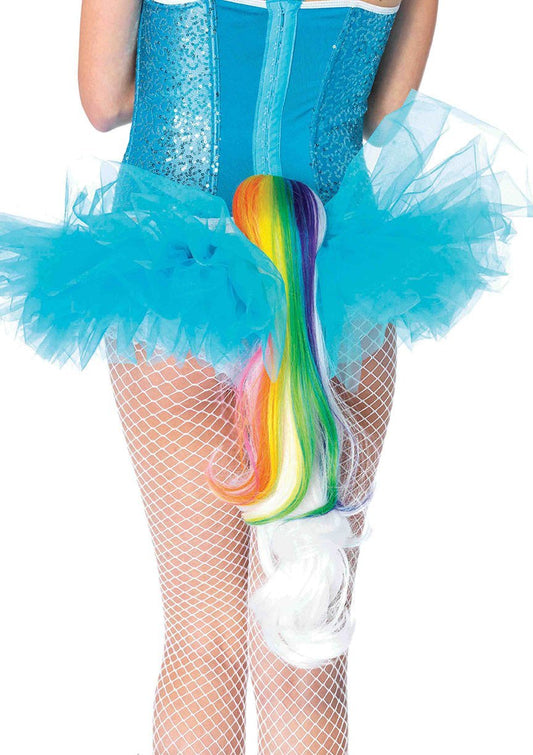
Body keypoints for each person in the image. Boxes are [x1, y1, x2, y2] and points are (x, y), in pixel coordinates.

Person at [0, 0, 529, 753]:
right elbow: (384, 116)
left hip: (171, 267)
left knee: (205, 637)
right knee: (304, 642)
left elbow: (103, 100)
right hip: (335, 276)